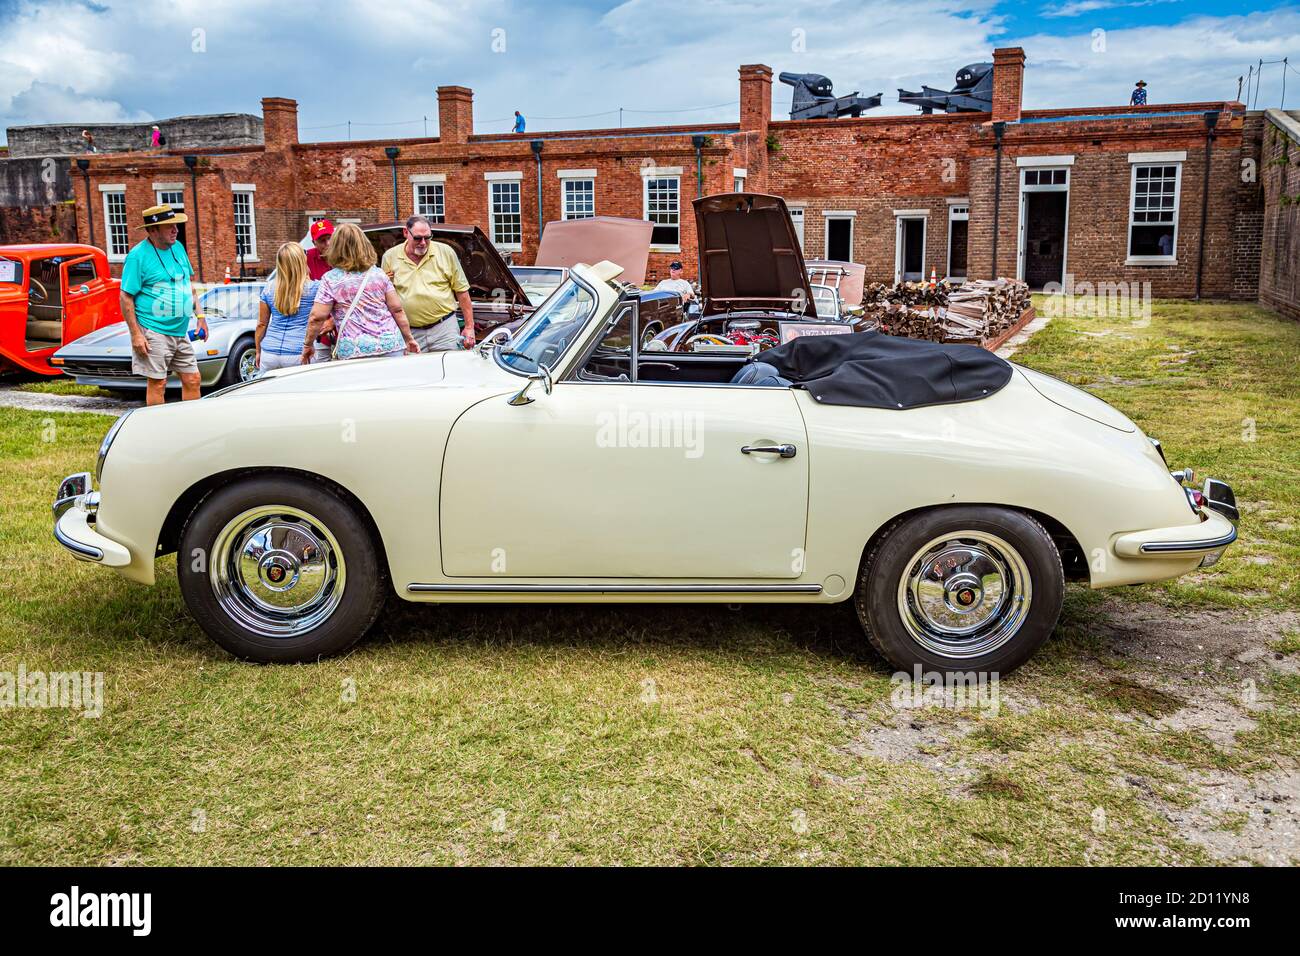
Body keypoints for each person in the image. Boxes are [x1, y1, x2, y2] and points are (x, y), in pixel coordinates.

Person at [119, 204, 207, 406]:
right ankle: (157, 428)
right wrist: (136, 334)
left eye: (175, 225)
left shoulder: (178, 248)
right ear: (152, 230)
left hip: (181, 331)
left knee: (193, 379)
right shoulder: (137, 256)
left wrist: (200, 317)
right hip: (154, 331)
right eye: (169, 226)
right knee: (158, 383)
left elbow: (187, 285)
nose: (175, 230)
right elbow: (125, 297)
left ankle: (194, 423)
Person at [302, 222, 418, 363]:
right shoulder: (379, 274)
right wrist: (409, 338)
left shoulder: (330, 280)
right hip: (390, 345)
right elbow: (397, 310)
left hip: (354, 349)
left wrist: (308, 344)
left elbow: (317, 317)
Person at [380, 214, 475, 350]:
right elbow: (385, 297)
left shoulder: (446, 252)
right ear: (406, 232)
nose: (423, 242)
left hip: (444, 329)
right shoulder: (390, 257)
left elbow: (462, 291)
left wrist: (469, 327)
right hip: (409, 332)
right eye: (418, 238)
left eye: (428, 237)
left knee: (450, 369)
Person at [256, 243, 319, 372]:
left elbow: (261, 324)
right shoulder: (314, 288)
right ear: (302, 261)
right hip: (298, 352)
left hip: (269, 353)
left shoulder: (269, 288)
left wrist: (258, 351)